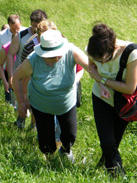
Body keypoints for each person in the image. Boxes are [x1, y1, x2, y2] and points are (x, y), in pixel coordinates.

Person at [12, 29, 89, 161]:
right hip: (41, 105)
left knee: (70, 135)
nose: (57, 58)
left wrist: (104, 81)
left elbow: (91, 67)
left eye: (58, 55)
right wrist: (21, 103)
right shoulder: (34, 59)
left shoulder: (71, 51)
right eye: (52, 56)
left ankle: (65, 150)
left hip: (66, 103)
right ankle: (50, 160)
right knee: (45, 139)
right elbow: (16, 78)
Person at [86, 23, 137, 175]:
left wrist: (102, 80)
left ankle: (105, 162)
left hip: (124, 101)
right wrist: (99, 83)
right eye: (99, 61)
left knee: (114, 141)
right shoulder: (93, 49)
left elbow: (130, 87)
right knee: (107, 141)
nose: (101, 63)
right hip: (100, 97)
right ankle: (119, 175)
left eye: (104, 60)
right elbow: (92, 67)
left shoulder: (132, 54)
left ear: (113, 48)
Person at [7, 9, 48, 129]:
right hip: (22, 75)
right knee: (22, 100)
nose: (36, 29)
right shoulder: (21, 35)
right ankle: (20, 121)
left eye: (39, 26)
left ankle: (34, 125)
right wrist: (11, 76)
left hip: (38, 77)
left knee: (36, 102)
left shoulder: (49, 36)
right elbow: (10, 55)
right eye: (34, 26)